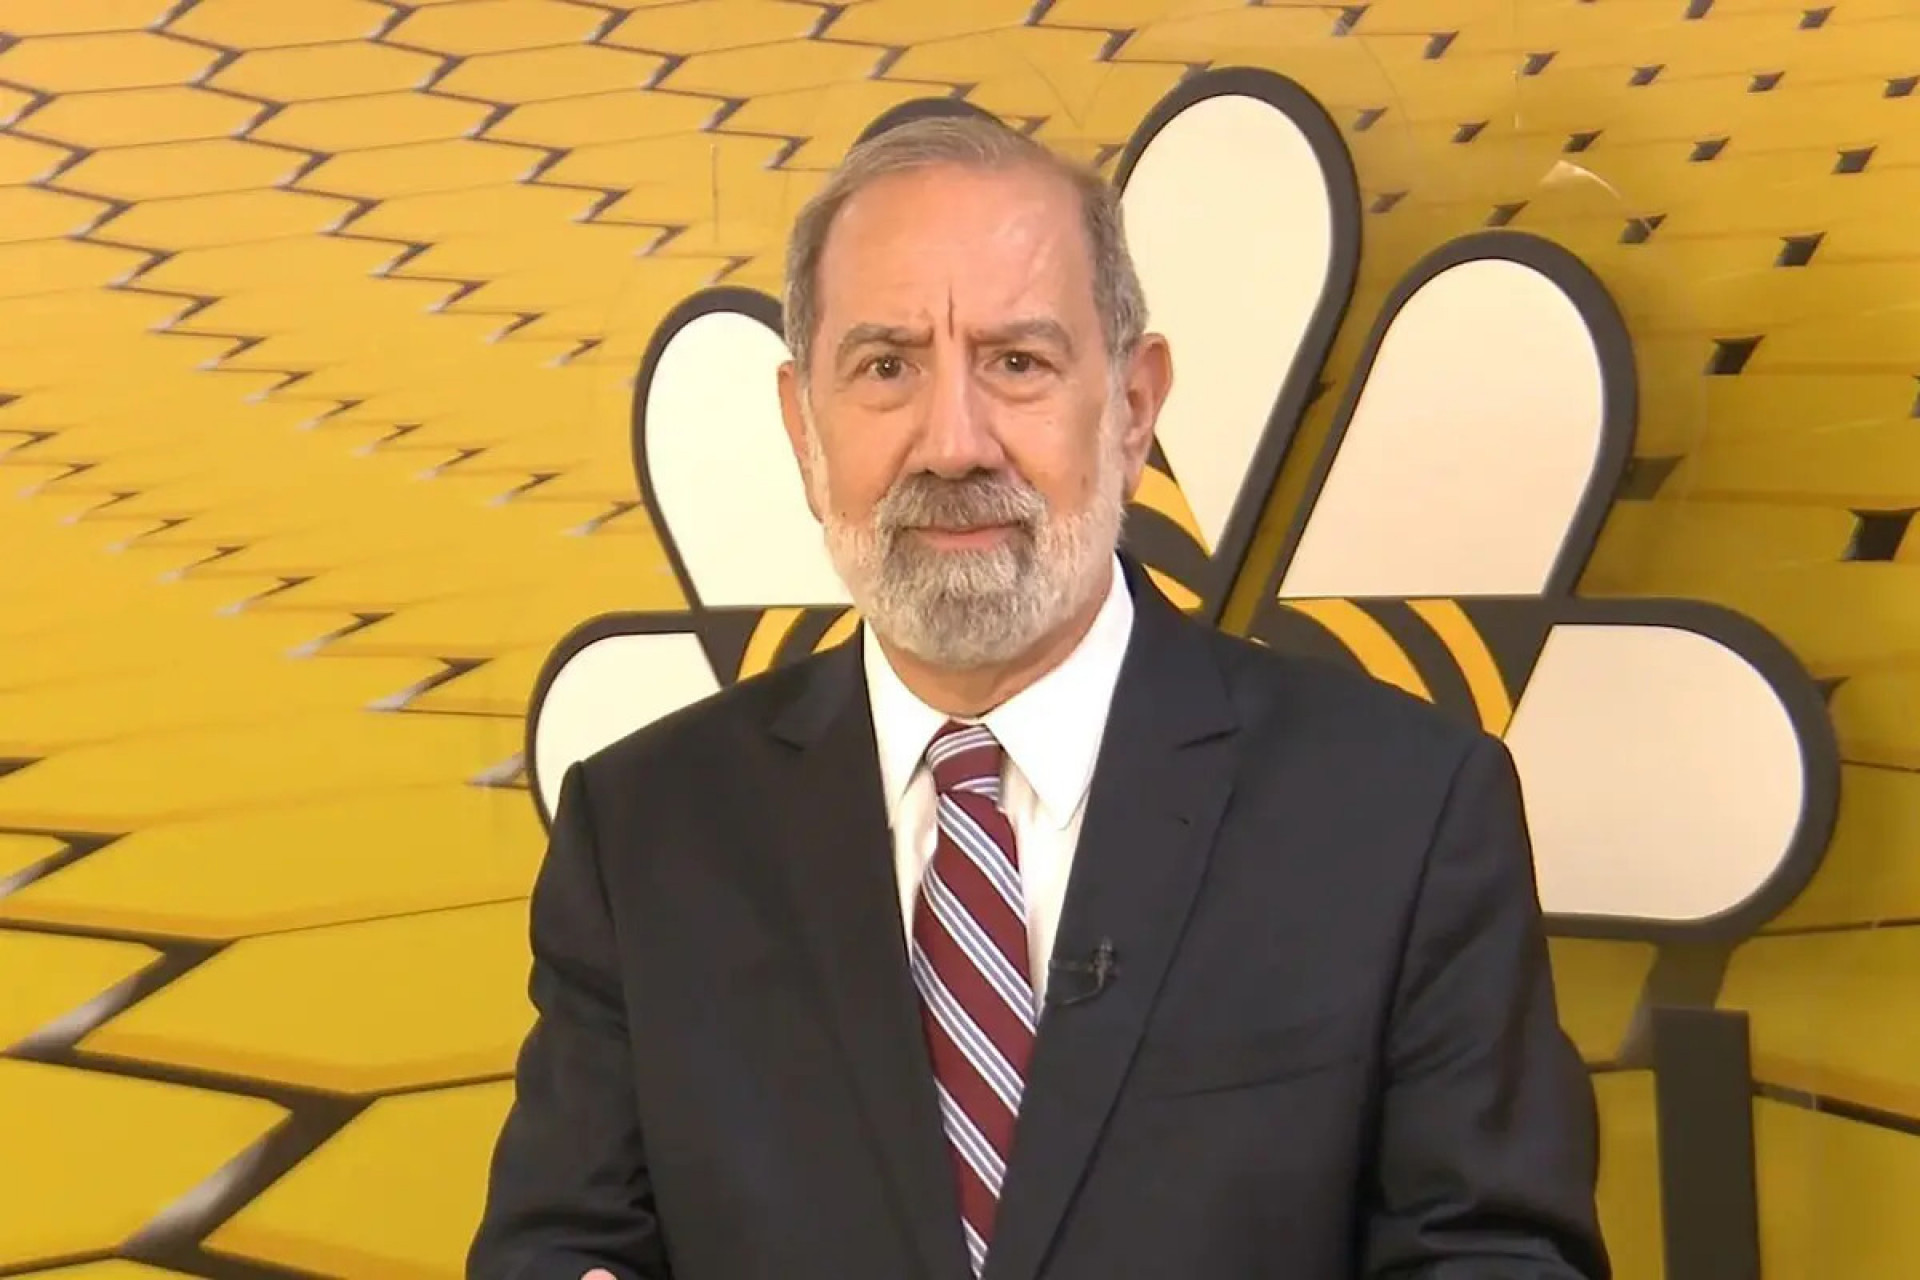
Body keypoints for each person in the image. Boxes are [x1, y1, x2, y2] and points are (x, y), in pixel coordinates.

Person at [467, 113, 1609, 1280]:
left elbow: (1495, 1252)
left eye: (1017, 362)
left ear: (1133, 407)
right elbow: (559, 1240)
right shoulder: (645, 830)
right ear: (803, 428)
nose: (953, 445)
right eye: (887, 366)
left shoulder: (1403, 812)